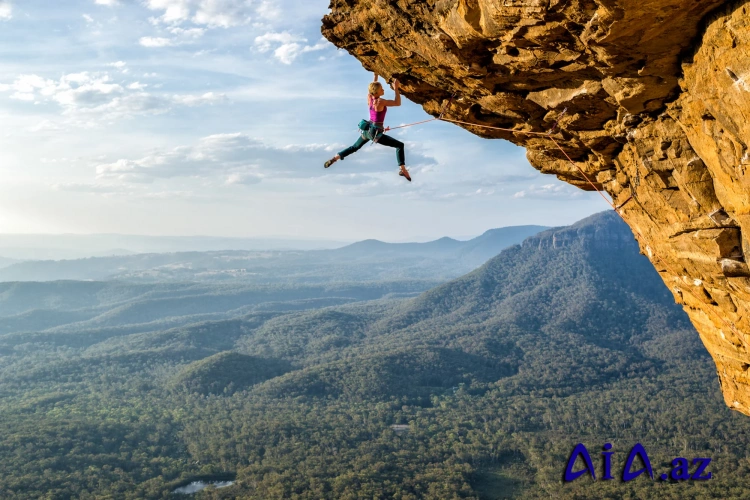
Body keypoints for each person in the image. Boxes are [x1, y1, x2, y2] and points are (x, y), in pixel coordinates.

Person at [324, 73, 411, 181]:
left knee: (354, 147)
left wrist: (375, 76)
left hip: (367, 131)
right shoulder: (380, 101)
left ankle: (335, 157)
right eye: (381, 89)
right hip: (374, 132)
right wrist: (396, 89)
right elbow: (397, 103)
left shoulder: (370, 98)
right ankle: (402, 169)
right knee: (399, 145)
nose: (383, 90)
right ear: (376, 92)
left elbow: (370, 89)